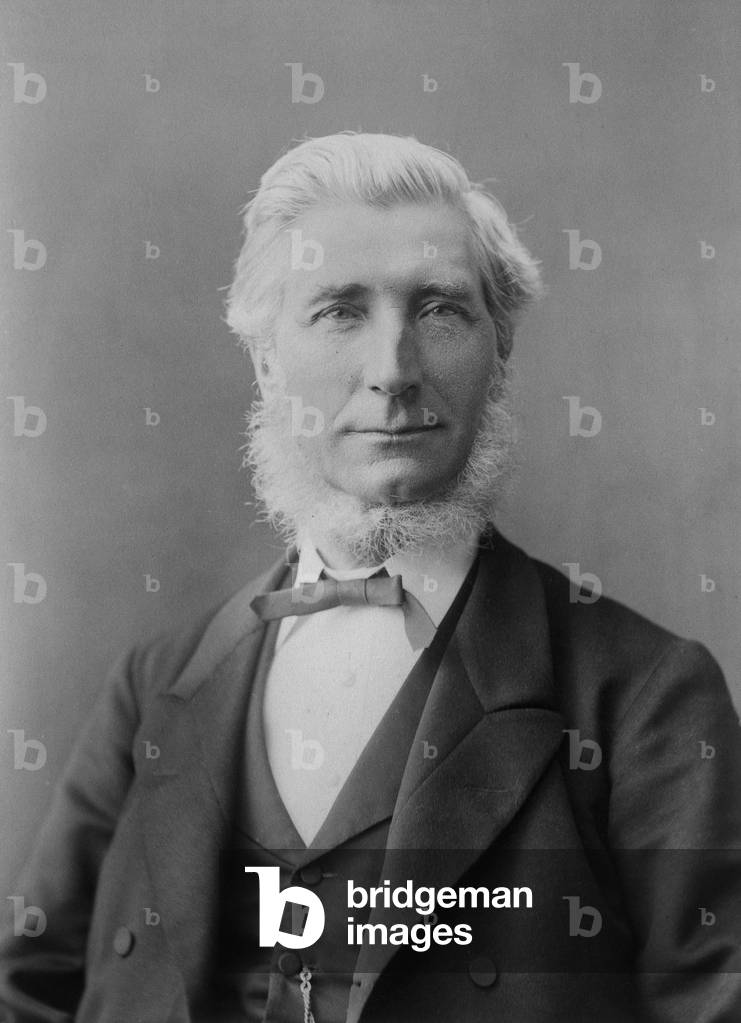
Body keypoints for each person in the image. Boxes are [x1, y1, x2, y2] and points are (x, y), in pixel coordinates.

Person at [1, 132, 739, 1023]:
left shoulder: (645, 699)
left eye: (438, 311)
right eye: (339, 311)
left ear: (499, 350)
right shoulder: (152, 690)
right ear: (267, 360)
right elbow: (28, 990)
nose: (392, 372)